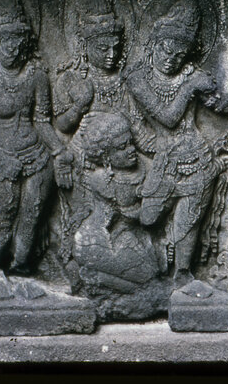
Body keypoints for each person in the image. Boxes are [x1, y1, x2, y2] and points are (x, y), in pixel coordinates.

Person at [126, 0, 228, 287]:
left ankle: (183, 272)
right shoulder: (138, 78)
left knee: (189, 220)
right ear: (154, 44)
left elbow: (219, 106)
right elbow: (168, 118)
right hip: (162, 157)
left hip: (197, 156)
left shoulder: (190, 74)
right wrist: (190, 87)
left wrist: (220, 101)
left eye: (179, 55)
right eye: (166, 51)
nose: (171, 60)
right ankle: (153, 257)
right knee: (147, 217)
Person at [0, 0, 72, 277]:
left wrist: (58, 150)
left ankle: (22, 265)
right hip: (4, 155)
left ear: (26, 42)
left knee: (32, 214)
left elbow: (42, 120)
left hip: (37, 155)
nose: (12, 48)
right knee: (5, 216)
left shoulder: (36, 76)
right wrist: (0, 156)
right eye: (6, 41)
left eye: (18, 40)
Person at [69, 112, 167, 317]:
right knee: (147, 278)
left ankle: (98, 279)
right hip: (100, 240)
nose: (131, 150)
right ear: (106, 157)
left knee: (153, 272)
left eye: (130, 143)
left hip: (130, 235)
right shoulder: (102, 179)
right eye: (122, 148)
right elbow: (131, 214)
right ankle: (94, 278)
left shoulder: (141, 166)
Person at [55, 0, 128, 134]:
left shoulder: (124, 78)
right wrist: (78, 108)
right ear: (84, 45)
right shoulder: (70, 79)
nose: (111, 55)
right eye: (103, 48)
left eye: (115, 48)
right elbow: (61, 126)